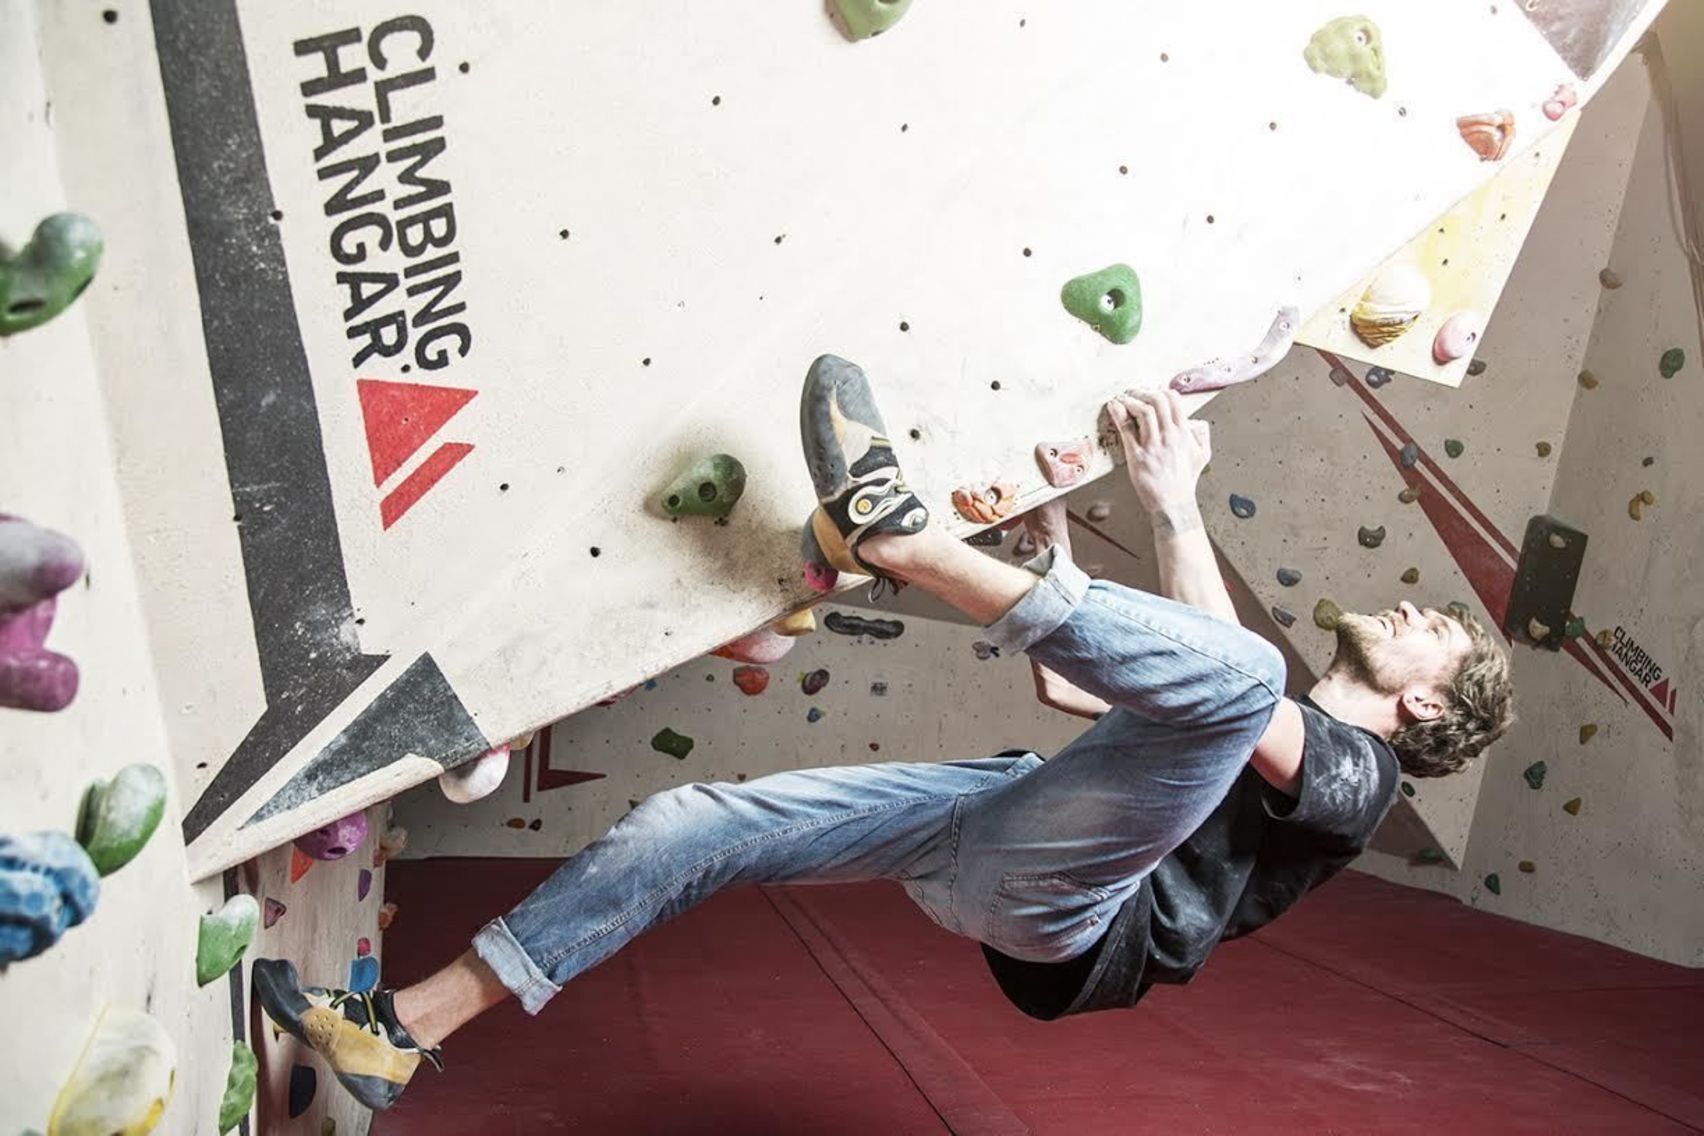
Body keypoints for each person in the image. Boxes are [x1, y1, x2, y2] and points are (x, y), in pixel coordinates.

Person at [254, 357, 1515, 1110]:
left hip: (1077, 921)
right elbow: (1092, 703)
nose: (1414, 606)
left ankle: (896, 539)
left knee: (1236, 675)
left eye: (1438, 628)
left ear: (1424, 707)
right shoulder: (1246, 721)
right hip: (1007, 825)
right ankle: (398, 1030)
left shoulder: (1358, 776)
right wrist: (1063, 570)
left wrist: (1170, 506)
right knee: (687, 824)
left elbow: (1236, 703)